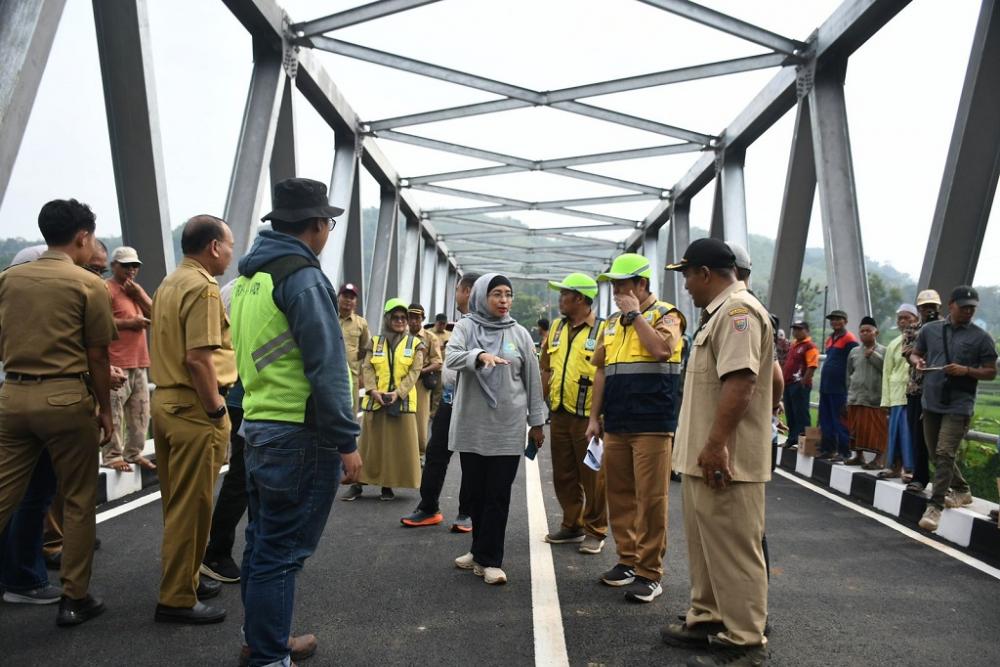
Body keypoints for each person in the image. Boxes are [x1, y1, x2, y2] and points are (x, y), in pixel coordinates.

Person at [231, 176, 363, 667]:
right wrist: (346, 439)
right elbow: (327, 366)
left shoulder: (250, 279)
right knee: (283, 552)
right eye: (328, 222)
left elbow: (248, 359)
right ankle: (269, 655)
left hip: (261, 427)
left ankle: (262, 638)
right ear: (316, 225)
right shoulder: (303, 278)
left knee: (264, 543)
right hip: (300, 434)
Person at [0, 198, 116, 626]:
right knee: (79, 500)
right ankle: (74, 598)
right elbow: (99, 355)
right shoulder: (87, 285)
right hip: (66, 400)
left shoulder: (9, 280)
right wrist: (105, 409)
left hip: (13, 396)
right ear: (83, 237)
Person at [660, 238, 773, 666]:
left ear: (705, 273)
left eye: (687, 275)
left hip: (725, 458)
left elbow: (741, 382)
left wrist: (716, 444)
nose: (685, 285)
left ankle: (744, 638)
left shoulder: (738, 313)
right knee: (707, 545)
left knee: (733, 549)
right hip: (702, 456)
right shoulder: (719, 315)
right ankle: (708, 617)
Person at [150, 215, 236, 624]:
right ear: (214, 247)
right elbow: (199, 358)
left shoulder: (169, 282)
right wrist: (217, 409)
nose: (231, 255)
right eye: (230, 246)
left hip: (165, 403)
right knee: (194, 507)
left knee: (176, 504)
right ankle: (177, 598)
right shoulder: (203, 288)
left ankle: (185, 578)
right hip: (193, 409)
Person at [585, 252, 685, 604]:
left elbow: (661, 350)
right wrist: (594, 418)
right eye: (613, 285)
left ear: (642, 284)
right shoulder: (611, 324)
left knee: (652, 499)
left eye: (622, 284)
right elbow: (600, 370)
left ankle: (649, 572)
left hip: (652, 423)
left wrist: (636, 315)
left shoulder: (667, 316)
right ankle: (626, 560)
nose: (616, 291)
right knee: (620, 494)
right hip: (617, 421)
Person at [448, 274, 546, 585]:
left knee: (497, 494)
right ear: (480, 296)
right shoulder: (466, 327)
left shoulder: (519, 334)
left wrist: (537, 423)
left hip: (507, 427)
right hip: (473, 425)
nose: (504, 300)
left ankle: (491, 560)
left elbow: (532, 381)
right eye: (496, 294)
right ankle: (478, 551)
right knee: (475, 493)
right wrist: (478, 356)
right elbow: (451, 356)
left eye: (508, 294)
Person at [913, 286, 997, 531]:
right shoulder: (930, 330)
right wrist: (918, 362)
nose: (968, 311)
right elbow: (916, 354)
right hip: (931, 400)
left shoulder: (981, 337)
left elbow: (991, 371)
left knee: (945, 451)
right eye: (964, 307)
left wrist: (967, 370)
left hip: (959, 404)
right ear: (951, 305)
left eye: (972, 308)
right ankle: (961, 489)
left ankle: (935, 506)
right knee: (935, 453)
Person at [400, 274, 480, 529]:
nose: (455, 294)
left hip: (470, 400)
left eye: (457, 290)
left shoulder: (483, 325)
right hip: (449, 398)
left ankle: (467, 512)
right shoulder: (460, 325)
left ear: (467, 291)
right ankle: (428, 507)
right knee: (436, 453)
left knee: (470, 458)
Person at [539, 273, 608, 554]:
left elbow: (608, 372)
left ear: (579, 298)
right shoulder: (556, 327)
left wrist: (601, 415)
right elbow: (546, 366)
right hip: (560, 412)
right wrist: (539, 404)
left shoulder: (604, 329)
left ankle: (595, 530)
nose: (560, 299)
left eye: (564, 294)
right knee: (563, 473)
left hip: (589, 417)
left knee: (592, 474)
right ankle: (572, 524)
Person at [343, 299, 425, 501]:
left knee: (395, 447)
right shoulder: (375, 342)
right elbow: (367, 367)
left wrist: (399, 392)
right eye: (395, 317)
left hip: (402, 403)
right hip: (375, 401)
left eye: (403, 318)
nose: (399, 321)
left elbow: (415, 372)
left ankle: (388, 485)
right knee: (369, 446)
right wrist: (372, 390)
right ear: (387, 319)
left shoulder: (415, 344)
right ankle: (358, 484)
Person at [200, 281, 249, 585]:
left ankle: (219, 551)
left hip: (234, 395)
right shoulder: (269, 286)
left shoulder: (230, 288)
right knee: (243, 477)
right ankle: (216, 552)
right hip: (247, 397)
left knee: (245, 476)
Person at [102, 246, 154, 473]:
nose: (131, 270)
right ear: (114, 266)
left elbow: (155, 313)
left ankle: (134, 452)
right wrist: (129, 323)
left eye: (135, 266)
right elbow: (98, 324)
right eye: (125, 265)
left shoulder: (134, 290)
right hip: (116, 362)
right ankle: (112, 455)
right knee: (114, 412)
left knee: (141, 412)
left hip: (139, 361)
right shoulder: (106, 289)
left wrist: (139, 294)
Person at [902, 290, 941, 493]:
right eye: (925, 307)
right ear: (919, 309)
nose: (929, 311)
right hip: (917, 388)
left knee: (940, 438)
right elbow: (908, 353)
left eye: (932, 307)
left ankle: (946, 482)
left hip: (940, 389)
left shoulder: (946, 328)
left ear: (939, 308)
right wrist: (918, 357)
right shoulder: (912, 330)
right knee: (918, 435)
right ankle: (920, 476)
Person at [879, 305, 919, 479]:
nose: (903, 321)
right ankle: (894, 466)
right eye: (900, 318)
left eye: (907, 318)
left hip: (913, 393)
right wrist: (885, 401)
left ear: (916, 320)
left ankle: (909, 469)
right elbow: (887, 372)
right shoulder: (894, 344)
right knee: (895, 432)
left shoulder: (921, 340)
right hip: (896, 394)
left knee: (908, 432)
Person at [818, 309, 859, 462]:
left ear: (845, 321)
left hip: (839, 387)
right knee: (826, 419)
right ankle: (828, 449)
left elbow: (853, 362)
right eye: (833, 319)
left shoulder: (849, 339)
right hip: (826, 386)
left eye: (838, 319)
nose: (835, 322)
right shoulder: (830, 338)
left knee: (840, 420)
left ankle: (844, 451)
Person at [845, 316, 886, 468]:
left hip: (874, 399)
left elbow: (886, 370)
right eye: (862, 331)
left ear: (876, 333)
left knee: (877, 431)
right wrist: (848, 394)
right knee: (855, 430)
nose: (865, 334)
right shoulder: (854, 352)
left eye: (868, 331)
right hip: (856, 397)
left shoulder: (883, 351)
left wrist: (873, 356)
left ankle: (878, 460)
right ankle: (859, 456)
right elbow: (849, 374)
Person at [407, 303, 443, 455]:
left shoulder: (430, 338)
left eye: (417, 317)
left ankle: (420, 454)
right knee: (401, 420)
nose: (414, 321)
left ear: (423, 318)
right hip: (402, 381)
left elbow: (438, 362)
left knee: (420, 422)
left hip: (420, 383)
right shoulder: (402, 334)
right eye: (411, 317)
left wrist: (422, 371)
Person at [782, 321, 818, 449]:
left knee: (802, 414)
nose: (795, 332)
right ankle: (792, 439)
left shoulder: (809, 346)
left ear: (806, 330)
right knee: (790, 413)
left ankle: (809, 445)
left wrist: (803, 382)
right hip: (788, 384)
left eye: (799, 329)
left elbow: (812, 366)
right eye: (794, 329)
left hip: (800, 385)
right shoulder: (794, 345)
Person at [338, 283, 370, 416]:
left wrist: (355, 361)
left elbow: (366, 347)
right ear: (338, 297)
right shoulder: (329, 317)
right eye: (345, 296)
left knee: (350, 414)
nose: (348, 300)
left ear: (356, 302)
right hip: (328, 374)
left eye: (352, 297)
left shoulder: (361, 323)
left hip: (352, 377)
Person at [429, 313, 451, 417]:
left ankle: (433, 414)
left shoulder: (449, 334)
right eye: (440, 323)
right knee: (426, 391)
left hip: (442, 368)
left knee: (438, 393)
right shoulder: (428, 333)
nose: (442, 325)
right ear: (436, 323)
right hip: (428, 367)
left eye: (444, 323)